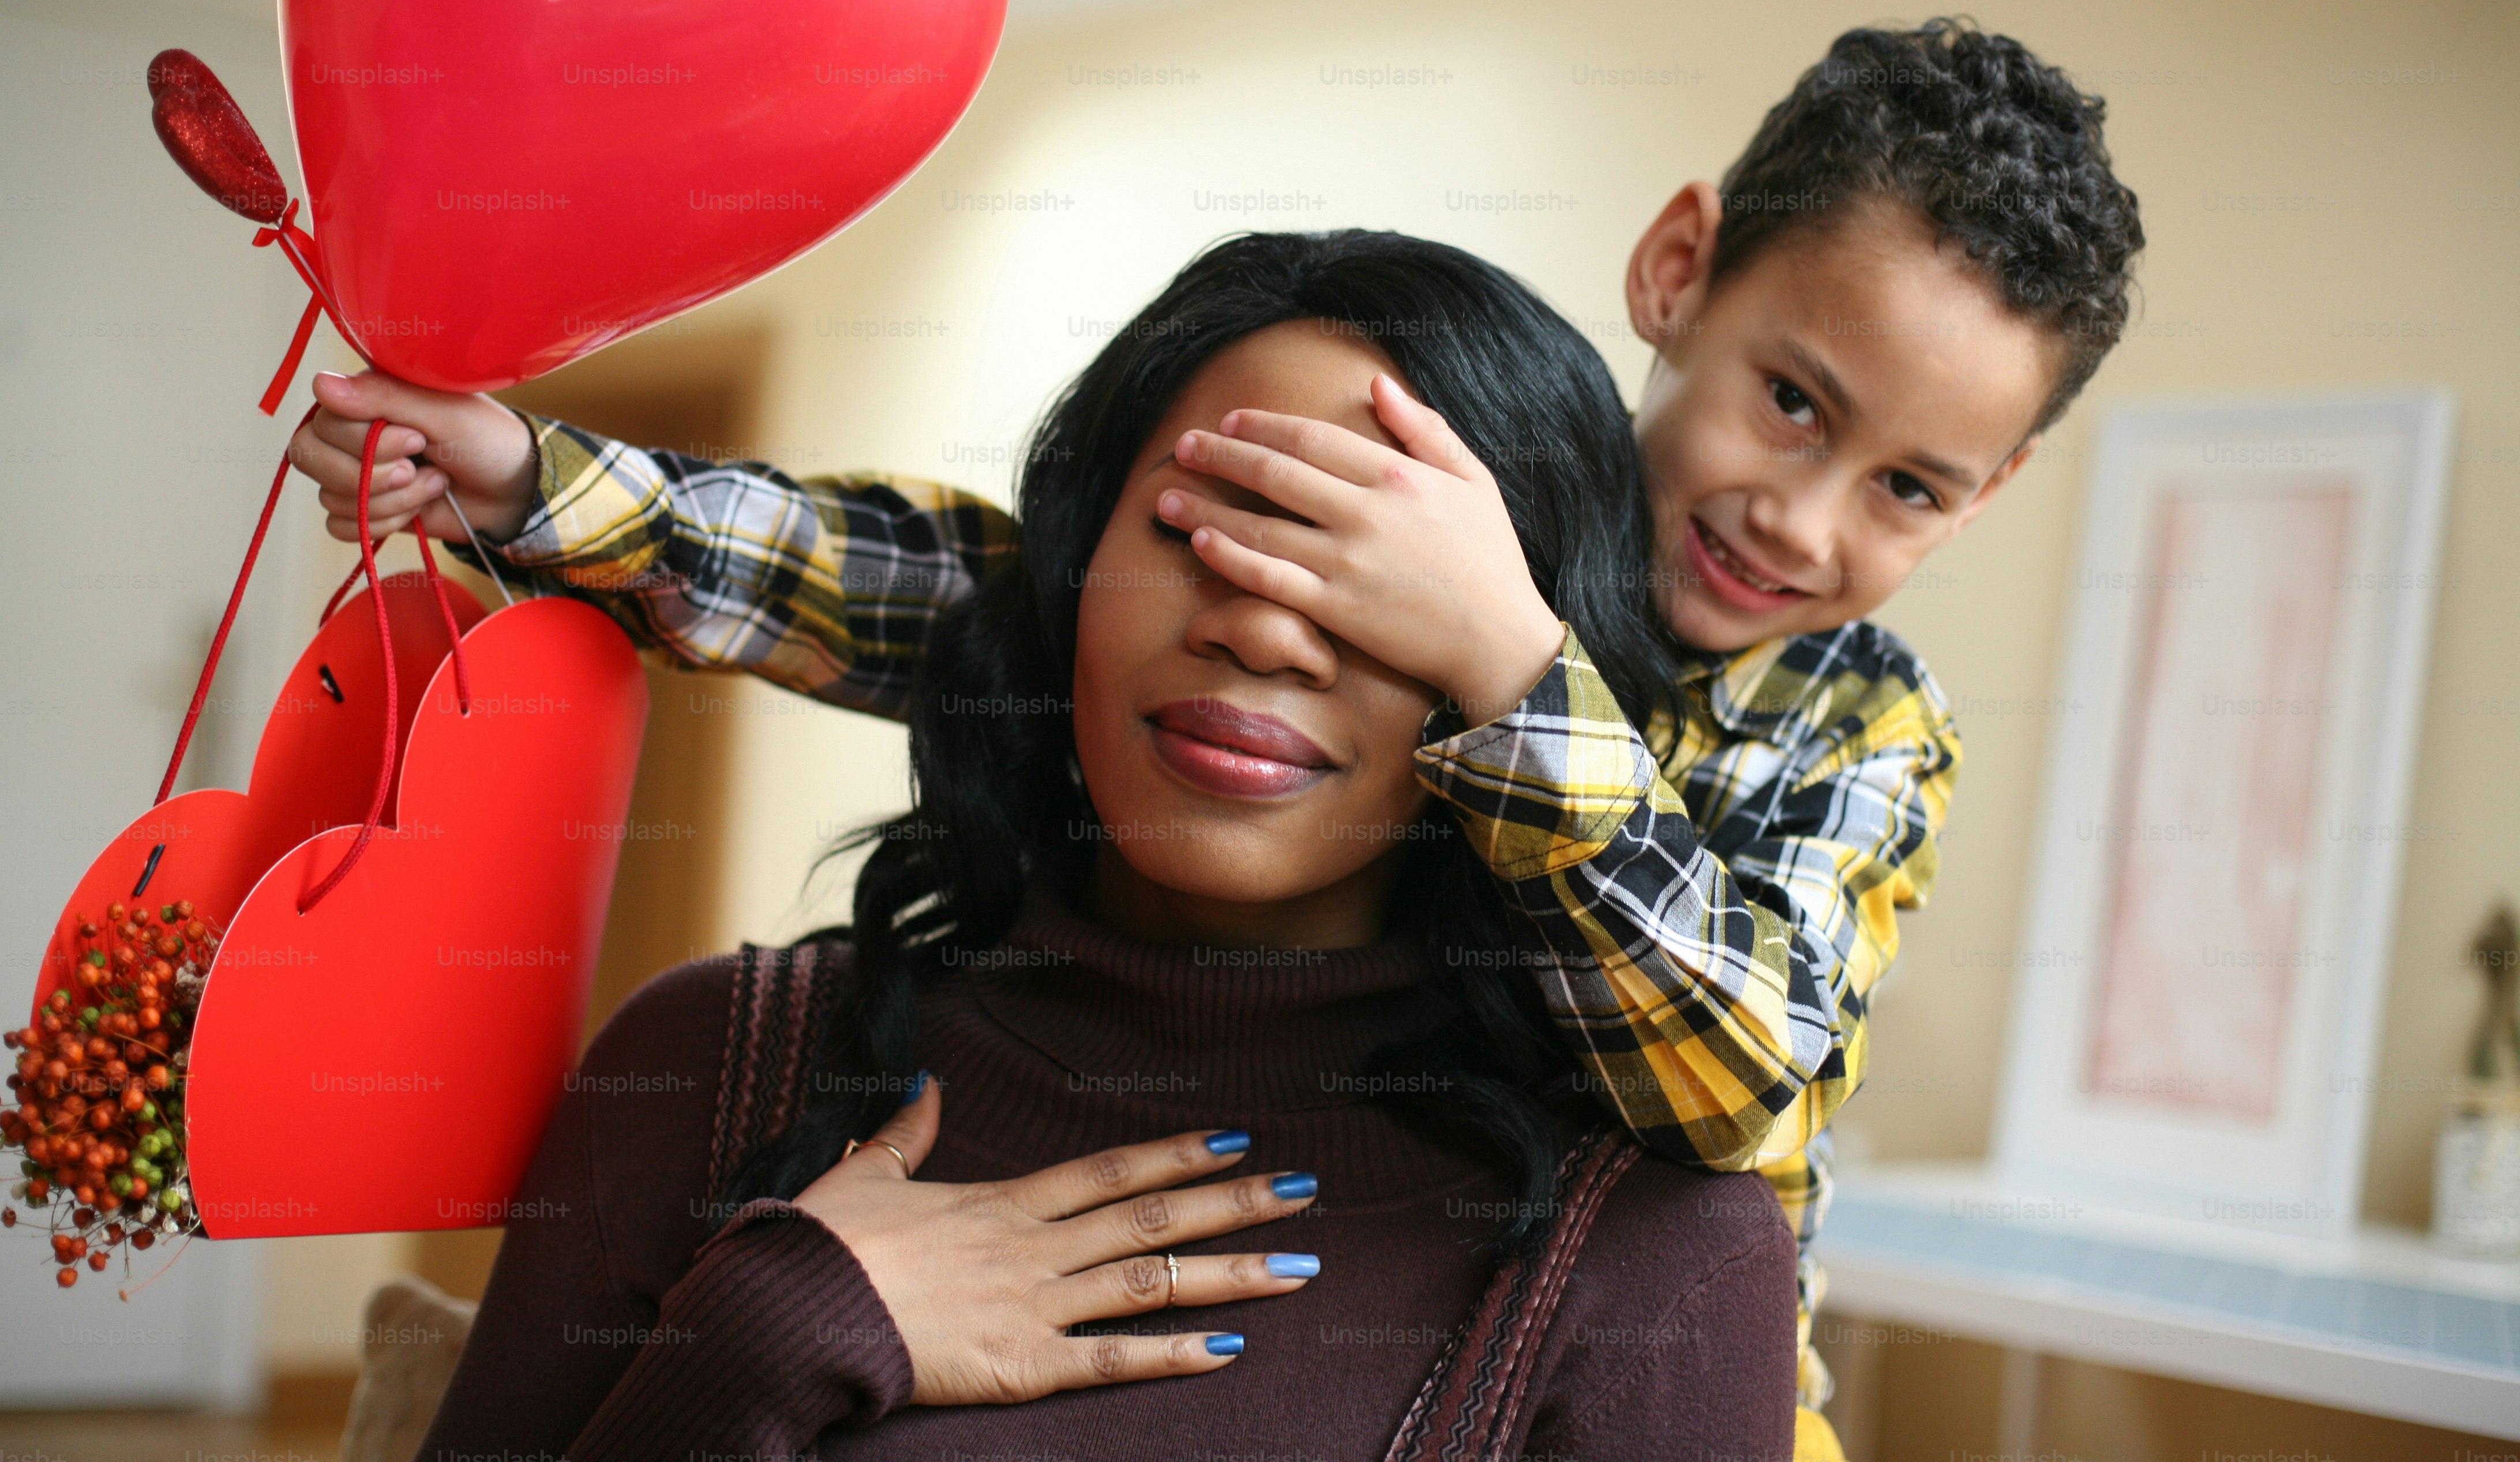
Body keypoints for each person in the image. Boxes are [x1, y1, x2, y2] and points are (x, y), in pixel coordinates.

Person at [297, 18, 2143, 1458]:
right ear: (1680, 271)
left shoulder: (1855, 727)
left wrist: (1507, 665)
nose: (1802, 523)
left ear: (1985, 501)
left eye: (1907, 486)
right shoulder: (723, 1060)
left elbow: (1740, 1091)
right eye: (1792, 403)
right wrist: (539, 485)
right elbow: (933, 582)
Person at [414, 231, 1798, 1460]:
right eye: (1204, 525)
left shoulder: (1651, 1257)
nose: (1259, 625)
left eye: (1376, 582)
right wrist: (774, 1331)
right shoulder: (713, 1061)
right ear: (1072, 576)